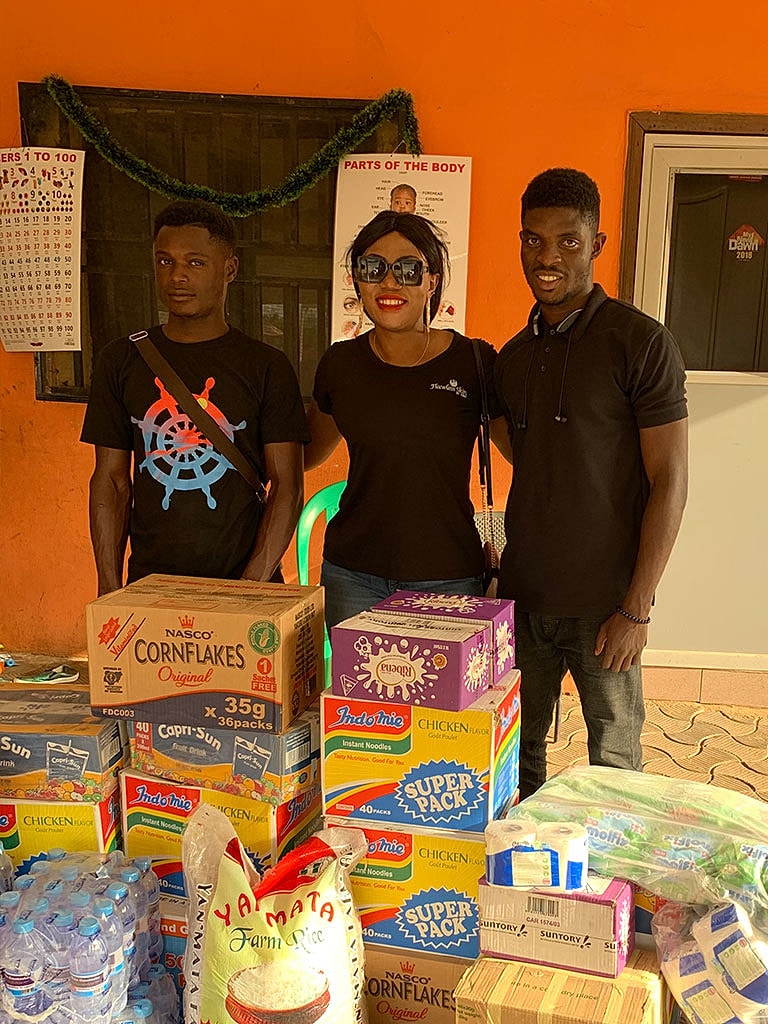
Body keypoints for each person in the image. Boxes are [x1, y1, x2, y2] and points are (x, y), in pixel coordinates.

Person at [495, 168, 688, 800]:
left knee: (615, 769)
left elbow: (670, 482)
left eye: (567, 241)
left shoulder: (640, 343)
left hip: (608, 605)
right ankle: (524, 888)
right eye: (532, 240)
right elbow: (527, 451)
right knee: (514, 759)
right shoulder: (513, 356)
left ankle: (613, 893)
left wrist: (637, 605)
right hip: (524, 602)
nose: (547, 258)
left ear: (597, 243)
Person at [81, 199, 308, 595]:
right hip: (149, 585)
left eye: (195, 263)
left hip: (244, 585)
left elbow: (286, 486)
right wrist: (108, 586)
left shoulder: (267, 366)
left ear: (230, 270)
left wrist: (249, 588)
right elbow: (111, 481)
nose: (177, 277)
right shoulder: (120, 360)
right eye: (165, 262)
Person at [305, 210, 508, 627]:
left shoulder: (474, 362)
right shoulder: (340, 364)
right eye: (373, 268)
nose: (390, 282)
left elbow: (528, 455)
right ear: (356, 281)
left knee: (441, 696)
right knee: (357, 695)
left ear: (432, 281)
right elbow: (305, 454)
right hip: (352, 574)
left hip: (449, 576)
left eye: (408, 269)